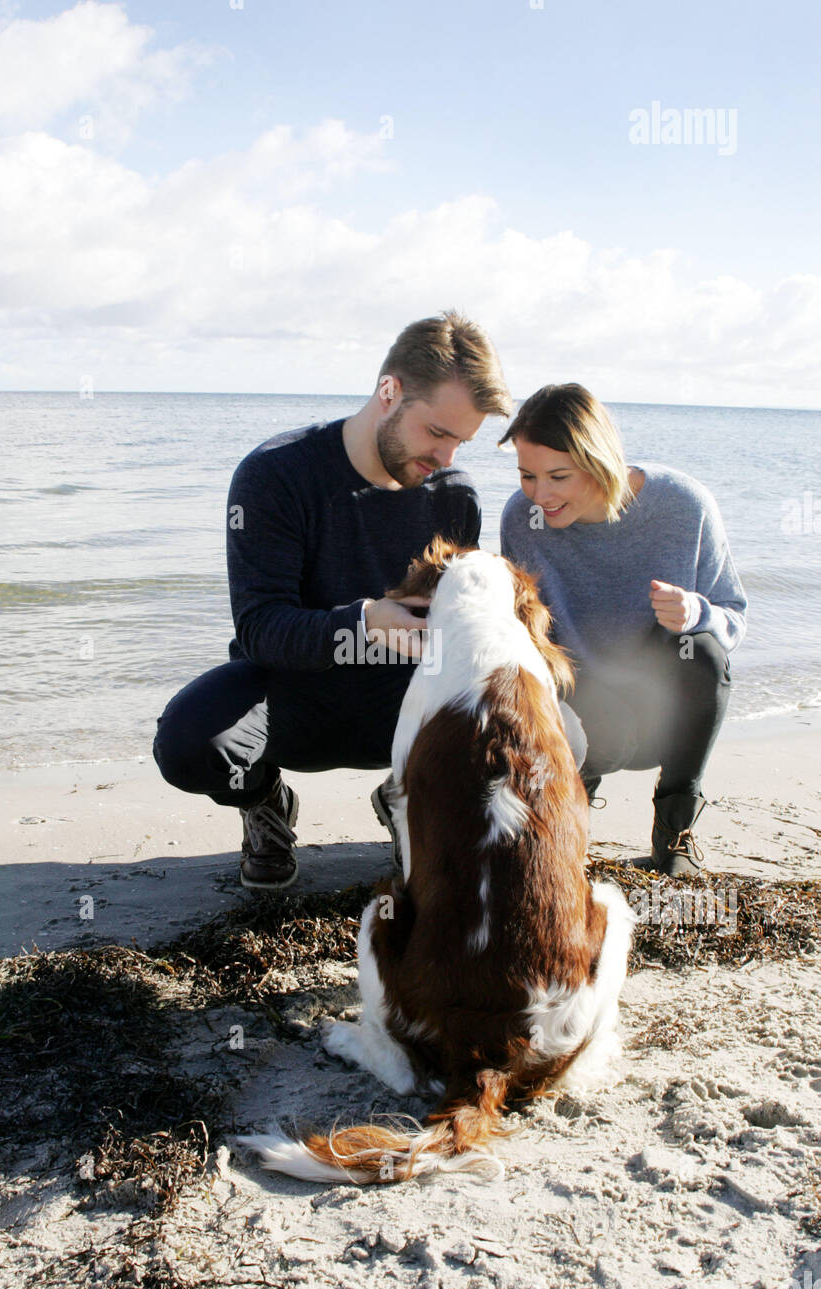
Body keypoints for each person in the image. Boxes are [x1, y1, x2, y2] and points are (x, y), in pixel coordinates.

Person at [153, 311, 517, 888]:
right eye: (437, 433)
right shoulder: (276, 474)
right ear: (389, 392)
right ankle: (265, 803)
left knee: (543, 735)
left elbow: (459, 630)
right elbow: (260, 628)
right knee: (188, 742)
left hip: (401, 701)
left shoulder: (453, 495)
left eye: (461, 441)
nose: (446, 457)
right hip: (293, 694)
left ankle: (409, 800)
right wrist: (367, 621)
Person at [499, 383, 748, 878]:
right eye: (527, 475)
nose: (540, 495)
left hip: (664, 703)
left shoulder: (683, 505)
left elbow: (733, 617)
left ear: (599, 461)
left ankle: (674, 831)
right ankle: (568, 815)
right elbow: (521, 636)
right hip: (581, 696)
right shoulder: (522, 519)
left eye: (558, 476)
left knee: (702, 653)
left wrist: (697, 613)